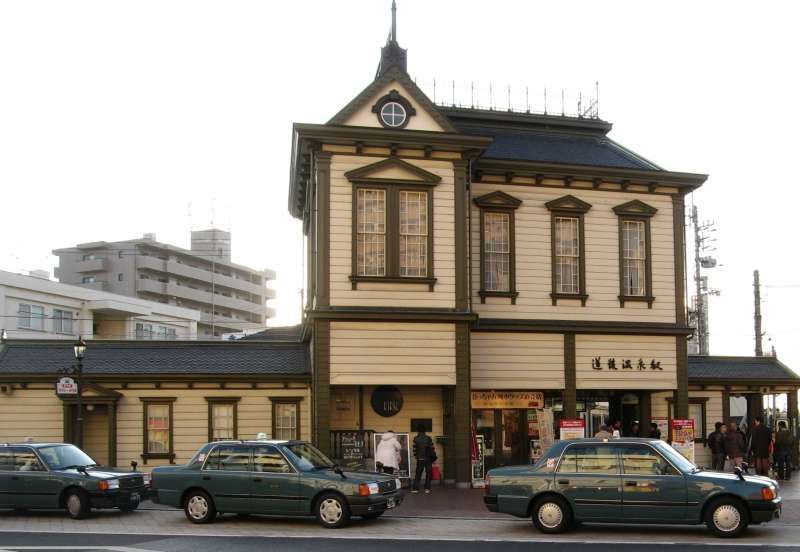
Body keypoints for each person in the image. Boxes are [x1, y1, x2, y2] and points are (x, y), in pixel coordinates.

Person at [412, 425, 435, 494]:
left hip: (420, 459)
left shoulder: (415, 438)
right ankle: (427, 488)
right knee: (428, 473)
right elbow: (432, 448)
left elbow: (414, 449)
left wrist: (416, 456)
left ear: (418, 431)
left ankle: (416, 489)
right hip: (428, 458)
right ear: (425, 431)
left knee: (418, 473)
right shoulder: (428, 438)